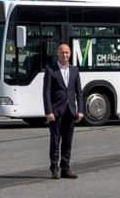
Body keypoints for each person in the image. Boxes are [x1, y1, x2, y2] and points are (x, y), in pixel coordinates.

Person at [43, 43, 84, 179]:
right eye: (62, 52)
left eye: (67, 52)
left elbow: (79, 92)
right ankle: (54, 168)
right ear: (58, 54)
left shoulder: (75, 70)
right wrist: (48, 111)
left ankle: (65, 168)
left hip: (70, 111)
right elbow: (46, 92)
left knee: (68, 141)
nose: (64, 55)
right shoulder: (51, 70)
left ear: (70, 54)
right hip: (56, 112)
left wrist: (80, 110)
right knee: (55, 141)